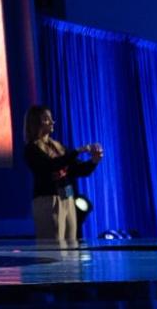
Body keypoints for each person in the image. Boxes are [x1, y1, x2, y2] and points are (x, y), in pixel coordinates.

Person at [25, 105, 101, 245]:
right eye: (46, 119)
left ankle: (71, 267)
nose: (52, 121)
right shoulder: (31, 149)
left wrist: (94, 161)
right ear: (36, 123)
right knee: (54, 245)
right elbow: (51, 166)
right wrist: (77, 151)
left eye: (51, 118)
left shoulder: (58, 146)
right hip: (48, 199)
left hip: (67, 196)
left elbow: (78, 169)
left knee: (71, 244)